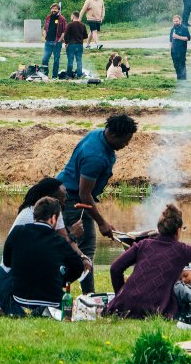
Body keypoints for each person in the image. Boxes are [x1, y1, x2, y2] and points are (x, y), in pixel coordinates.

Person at [104, 203, 191, 319]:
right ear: (178, 230)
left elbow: (115, 268)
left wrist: (120, 295)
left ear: (159, 228)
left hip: (123, 306)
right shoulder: (181, 250)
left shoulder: (143, 244)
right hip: (153, 309)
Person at [58, 113, 137, 294]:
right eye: (125, 140)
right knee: (83, 250)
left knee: (76, 248)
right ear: (113, 135)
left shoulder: (97, 134)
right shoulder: (95, 156)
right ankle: (87, 295)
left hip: (72, 195)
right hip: (73, 202)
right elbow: (84, 194)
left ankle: (82, 292)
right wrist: (102, 222)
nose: (126, 145)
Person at [0, 197, 89, 317]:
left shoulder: (18, 231)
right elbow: (78, 267)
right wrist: (61, 279)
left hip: (20, 298)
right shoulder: (59, 241)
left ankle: (6, 307)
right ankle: (22, 308)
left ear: (35, 215)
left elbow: (7, 262)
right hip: (53, 301)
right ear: (53, 218)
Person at [39, 3, 63, 77]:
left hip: (57, 43)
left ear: (58, 10)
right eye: (52, 9)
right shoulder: (48, 17)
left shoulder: (62, 19)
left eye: (55, 9)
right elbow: (44, 29)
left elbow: (64, 31)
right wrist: (44, 36)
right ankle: (44, 75)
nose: (53, 10)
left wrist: (59, 40)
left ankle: (54, 76)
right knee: (45, 59)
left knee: (56, 60)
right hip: (48, 42)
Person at [62, 10, 87, 78]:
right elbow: (85, 36)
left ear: (73, 16)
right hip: (80, 45)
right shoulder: (82, 25)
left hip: (71, 45)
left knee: (70, 60)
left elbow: (66, 35)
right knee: (79, 60)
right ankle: (79, 74)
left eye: (71, 16)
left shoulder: (70, 25)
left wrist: (66, 43)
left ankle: (69, 75)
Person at [168, 14, 189, 81]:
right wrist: (170, 49)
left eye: (176, 21)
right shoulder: (172, 29)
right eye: (174, 21)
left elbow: (188, 38)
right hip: (174, 51)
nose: (175, 23)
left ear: (180, 20)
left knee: (182, 65)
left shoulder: (184, 28)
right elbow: (170, 41)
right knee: (176, 65)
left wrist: (178, 37)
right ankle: (179, 79)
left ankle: (183, 79)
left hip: (182, 50)